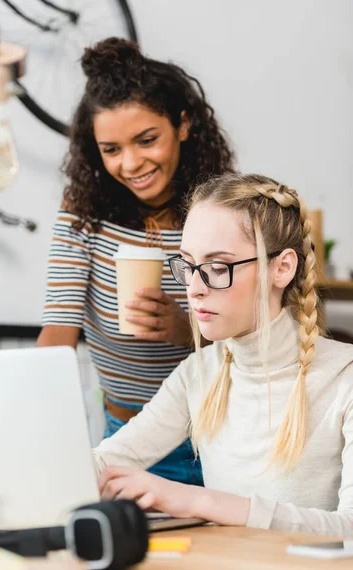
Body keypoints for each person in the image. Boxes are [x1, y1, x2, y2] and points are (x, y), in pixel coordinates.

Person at [93, 173, 353, 537]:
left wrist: (203, 501)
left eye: (217, 267)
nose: (195, 289)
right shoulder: (198, 372)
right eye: (187, 265)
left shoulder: (345, 379)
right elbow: (106, 462)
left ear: (282, 268)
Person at [37, 37, 235, 486]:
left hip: (212, 442)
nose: (131, 163)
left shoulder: (219, 211)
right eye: (111, 149)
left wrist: (187, 330)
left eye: (147, 140)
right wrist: (34, 423)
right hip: (120, 438)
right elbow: (58, 329)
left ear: (183, 124)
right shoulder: (83, 211)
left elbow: (258, 336)